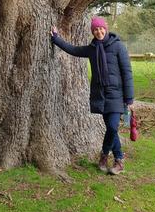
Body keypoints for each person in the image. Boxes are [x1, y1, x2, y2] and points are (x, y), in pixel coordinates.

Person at [50, 16, 134, 175]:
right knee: (112, 129)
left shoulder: (118, 47)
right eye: (95, 29)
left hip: (116, 94)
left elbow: (127, 72)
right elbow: (73, 49)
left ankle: (106, 155)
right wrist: (56, 39)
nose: (99, 31)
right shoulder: (92, 49)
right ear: (92, 31)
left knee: (112, 126)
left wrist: (129, 98)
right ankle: (117, 161)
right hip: (100, 95)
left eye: (101, 28)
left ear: (106, 28)